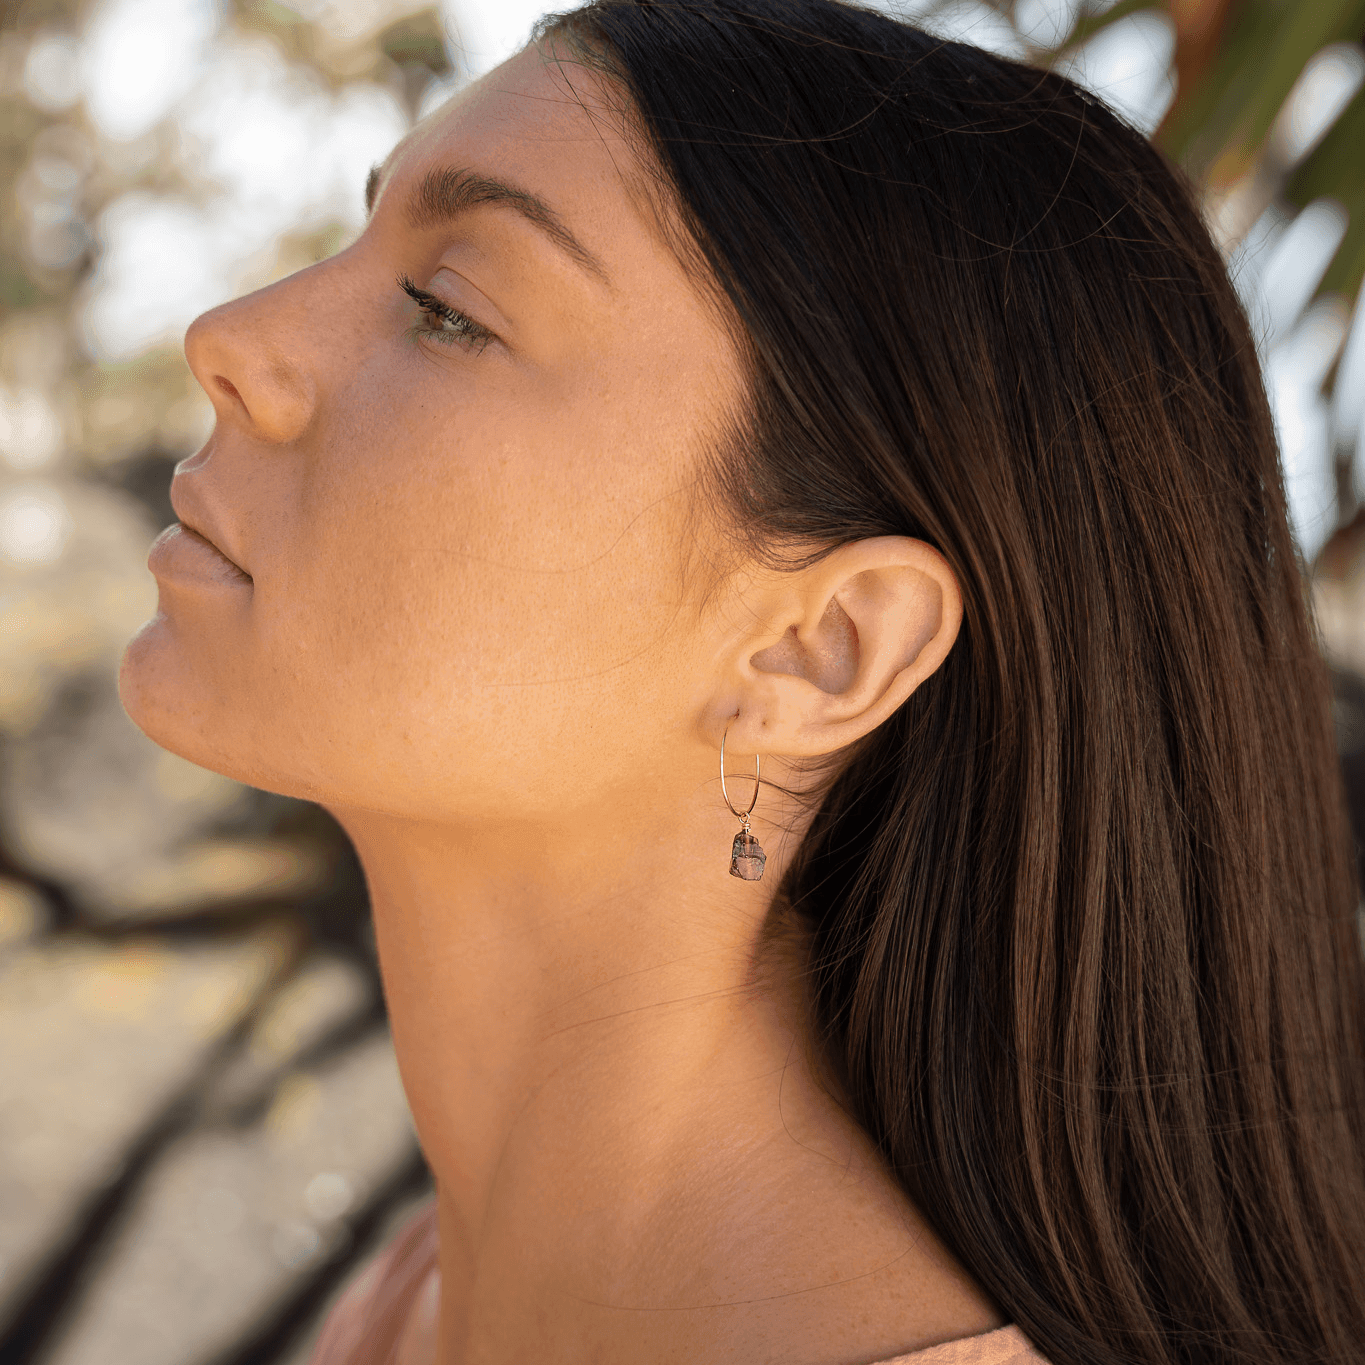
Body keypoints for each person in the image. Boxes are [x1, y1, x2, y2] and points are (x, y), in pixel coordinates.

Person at [119, 1, 1365, 1361]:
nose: (231, 337)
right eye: (359, 245)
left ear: (821, 651)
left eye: (447, 310)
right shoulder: (422, 1302)